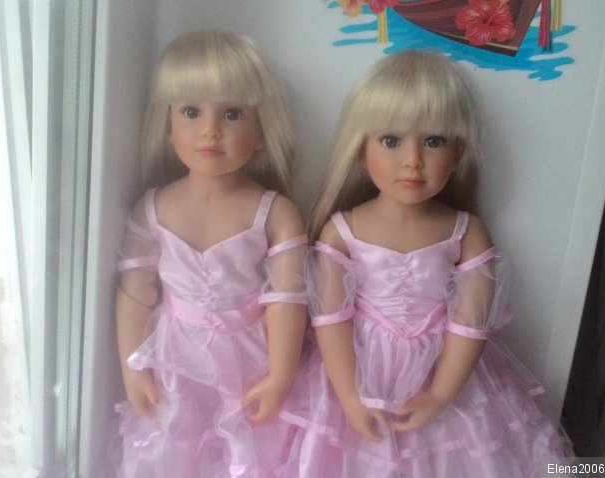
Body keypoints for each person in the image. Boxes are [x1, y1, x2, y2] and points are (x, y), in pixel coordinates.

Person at [281, 50, 574, 477]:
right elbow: (331, 321)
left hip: (446, 370)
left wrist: (440, 394)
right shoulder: (340, 232)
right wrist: (350, 396)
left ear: (458, 153)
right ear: (361, 150)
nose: (413, 159)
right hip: (355, 372)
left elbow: (470, 324)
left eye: (434, 141)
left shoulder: (467, 232)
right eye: (391, 141)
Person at [113, 31, 307, 478]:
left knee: (251, 449)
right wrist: (131, 367)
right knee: (174, 445)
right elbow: (136, 292)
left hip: (251, 357)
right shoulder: (152, 208)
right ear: (168, 126)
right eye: (190, 111)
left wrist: (280, 375)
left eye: (233, 113)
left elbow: (286, 300)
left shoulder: (275, 213)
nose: (210, 129)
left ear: (261, 132)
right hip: (174, 357)